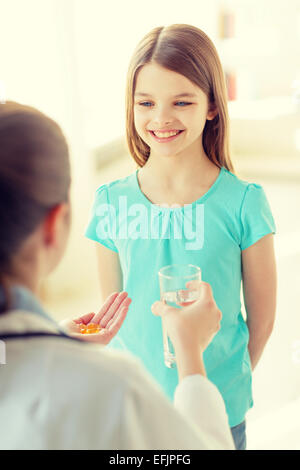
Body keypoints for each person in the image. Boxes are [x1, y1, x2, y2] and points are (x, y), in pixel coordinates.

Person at [0, 101, 234, 450]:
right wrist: (189, 354)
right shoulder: (115, 390)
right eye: (146, 103)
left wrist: (51, 342)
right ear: (53, 225)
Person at [85, 24, 277, 450]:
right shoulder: (111, 203)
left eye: (182, 102)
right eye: (146, 102)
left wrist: (220, 387)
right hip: (137, 409)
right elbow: (113, 318)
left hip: (218, 411)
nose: (161, 118)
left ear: (212, 105)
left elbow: (261, 319)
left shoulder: (244, 203)